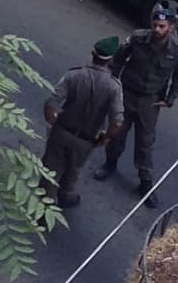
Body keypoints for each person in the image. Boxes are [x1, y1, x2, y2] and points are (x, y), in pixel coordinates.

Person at [97, 8, 178, 207]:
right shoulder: (138, 39)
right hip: (127, 92)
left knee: (145, 143)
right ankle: (110, 163)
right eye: (155, 25)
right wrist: (113, 81)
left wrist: (169, 98)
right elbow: (119, 58)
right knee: (117, 132)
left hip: (150, 101)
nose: (157, 29)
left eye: (162, 26)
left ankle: (145, 183)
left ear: (171, 27)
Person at [42, 39, 123, 208]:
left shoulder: (74, 75)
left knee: (50, 169)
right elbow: (116, 122)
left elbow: (51, 103)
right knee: (74, 169)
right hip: (86, 139)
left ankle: (45, 204)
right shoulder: (114, 87)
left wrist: (53, 122)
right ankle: (65, 196)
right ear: (111, 60)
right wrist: (106, 138)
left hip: (62, 131)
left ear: (93, 54)